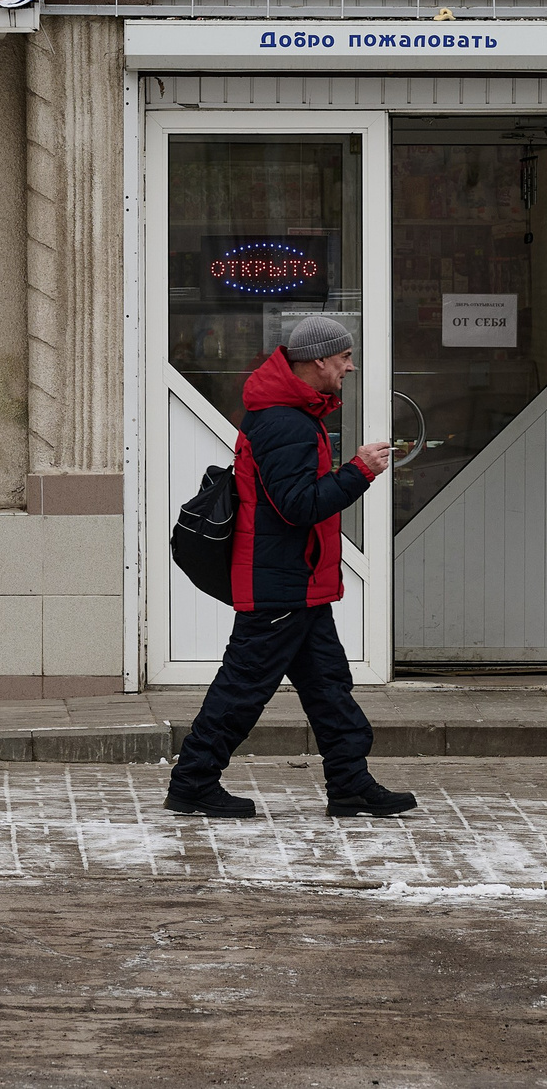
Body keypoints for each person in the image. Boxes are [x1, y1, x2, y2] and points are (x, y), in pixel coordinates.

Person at [165, 314, 416, 820]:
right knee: (243, 689)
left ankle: (350, 784)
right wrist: (360, 471)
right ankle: (192, 781)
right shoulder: (285, 420)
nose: (349, 366)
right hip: (280, 584)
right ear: (319, 359)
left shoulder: (294, 413)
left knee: (329, 688)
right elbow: (297, 506)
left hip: (297, 583)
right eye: (344, 357)